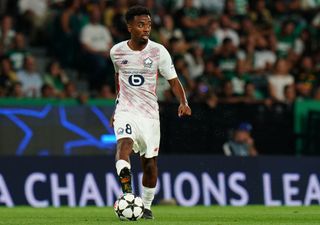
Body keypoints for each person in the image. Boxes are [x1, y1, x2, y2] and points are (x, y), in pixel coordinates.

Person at [109, 6, 191, 219]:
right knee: (123, 144)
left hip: (149, 115)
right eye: (141, 25)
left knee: (150, 165)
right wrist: (116, 109)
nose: (146, 29)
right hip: (126, 110)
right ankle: (127, 194)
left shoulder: (158, 51)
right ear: (130, 27)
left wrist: (183, 101)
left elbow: (173, 81)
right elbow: (119, 82)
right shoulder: (116, 52)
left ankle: (145, 206)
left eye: (148, 25)